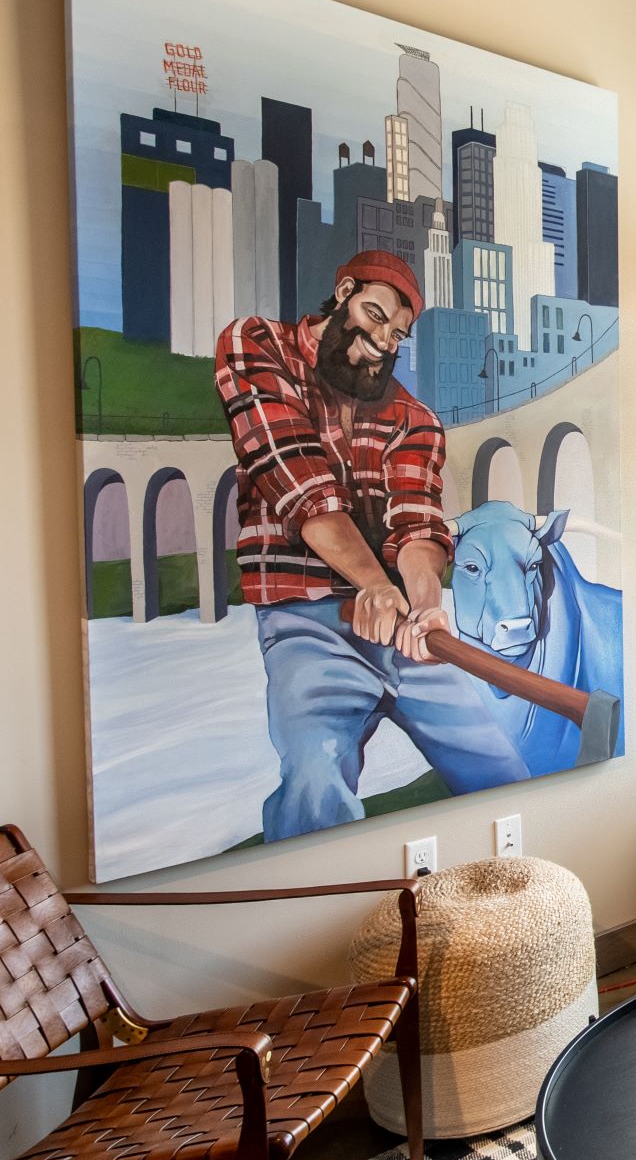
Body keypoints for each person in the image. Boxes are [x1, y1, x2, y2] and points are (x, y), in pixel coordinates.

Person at [214, 250, 526, 841]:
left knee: (502, 770)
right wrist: (374, 584)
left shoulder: (416, 419)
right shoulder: (257, 347)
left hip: (405, 627)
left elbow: (418, 525)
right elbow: (299, 482)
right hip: (306, 622)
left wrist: (428, 601)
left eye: (397, 332)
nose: (384, 339)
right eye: (374, 314)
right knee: (315, 782)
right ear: (344, 290)